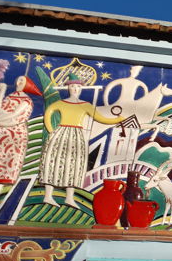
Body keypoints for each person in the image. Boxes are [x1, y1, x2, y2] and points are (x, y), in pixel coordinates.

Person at [38, 74, 123, 208]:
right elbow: (48, 112)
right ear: (68, 88)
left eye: (78, 87)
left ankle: (69, 198)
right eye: (72, 86)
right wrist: (51, 130)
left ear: (81, 89)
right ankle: (48, 196)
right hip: (61, 133)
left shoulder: (85, 105)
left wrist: (118, 119)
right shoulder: (61, 103)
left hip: (77, 135)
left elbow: (101, 118)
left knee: (74, 164)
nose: (75, 89)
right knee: (53, 161)